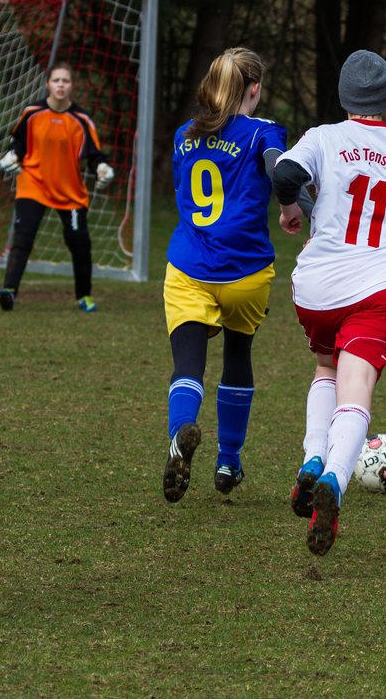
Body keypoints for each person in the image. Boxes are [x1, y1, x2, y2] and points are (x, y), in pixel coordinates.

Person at [272, 49, 386, 556]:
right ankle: (335, 483)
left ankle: (311, 461)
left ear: (343, 97)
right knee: (355, 386)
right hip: (377, 288)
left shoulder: (322, 138)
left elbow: (283, 175)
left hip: (317, 287)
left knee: (326, 367)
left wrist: (293, 207)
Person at [161, 47, 309, 502]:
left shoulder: (185, 134)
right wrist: (291, 208)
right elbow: (279, 171)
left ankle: (180, 435)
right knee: (238, 355)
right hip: (245, 271)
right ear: (255, 88)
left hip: (189, 266)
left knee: (187, 364)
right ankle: (228, 462)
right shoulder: (264, 132)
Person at [0, 61, 114, 313]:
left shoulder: (81, 119)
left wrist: (102, 168)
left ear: (71, 86)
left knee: (79, 243)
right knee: (23, 237)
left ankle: (84, 296)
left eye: (66, 81)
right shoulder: (32, 113)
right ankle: (9, 291)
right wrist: (11, 157)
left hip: (69, 191)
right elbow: (17, 144)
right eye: (56, 80)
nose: (61, 85)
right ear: (48, 84)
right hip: (33, 184)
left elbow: (95, 156)